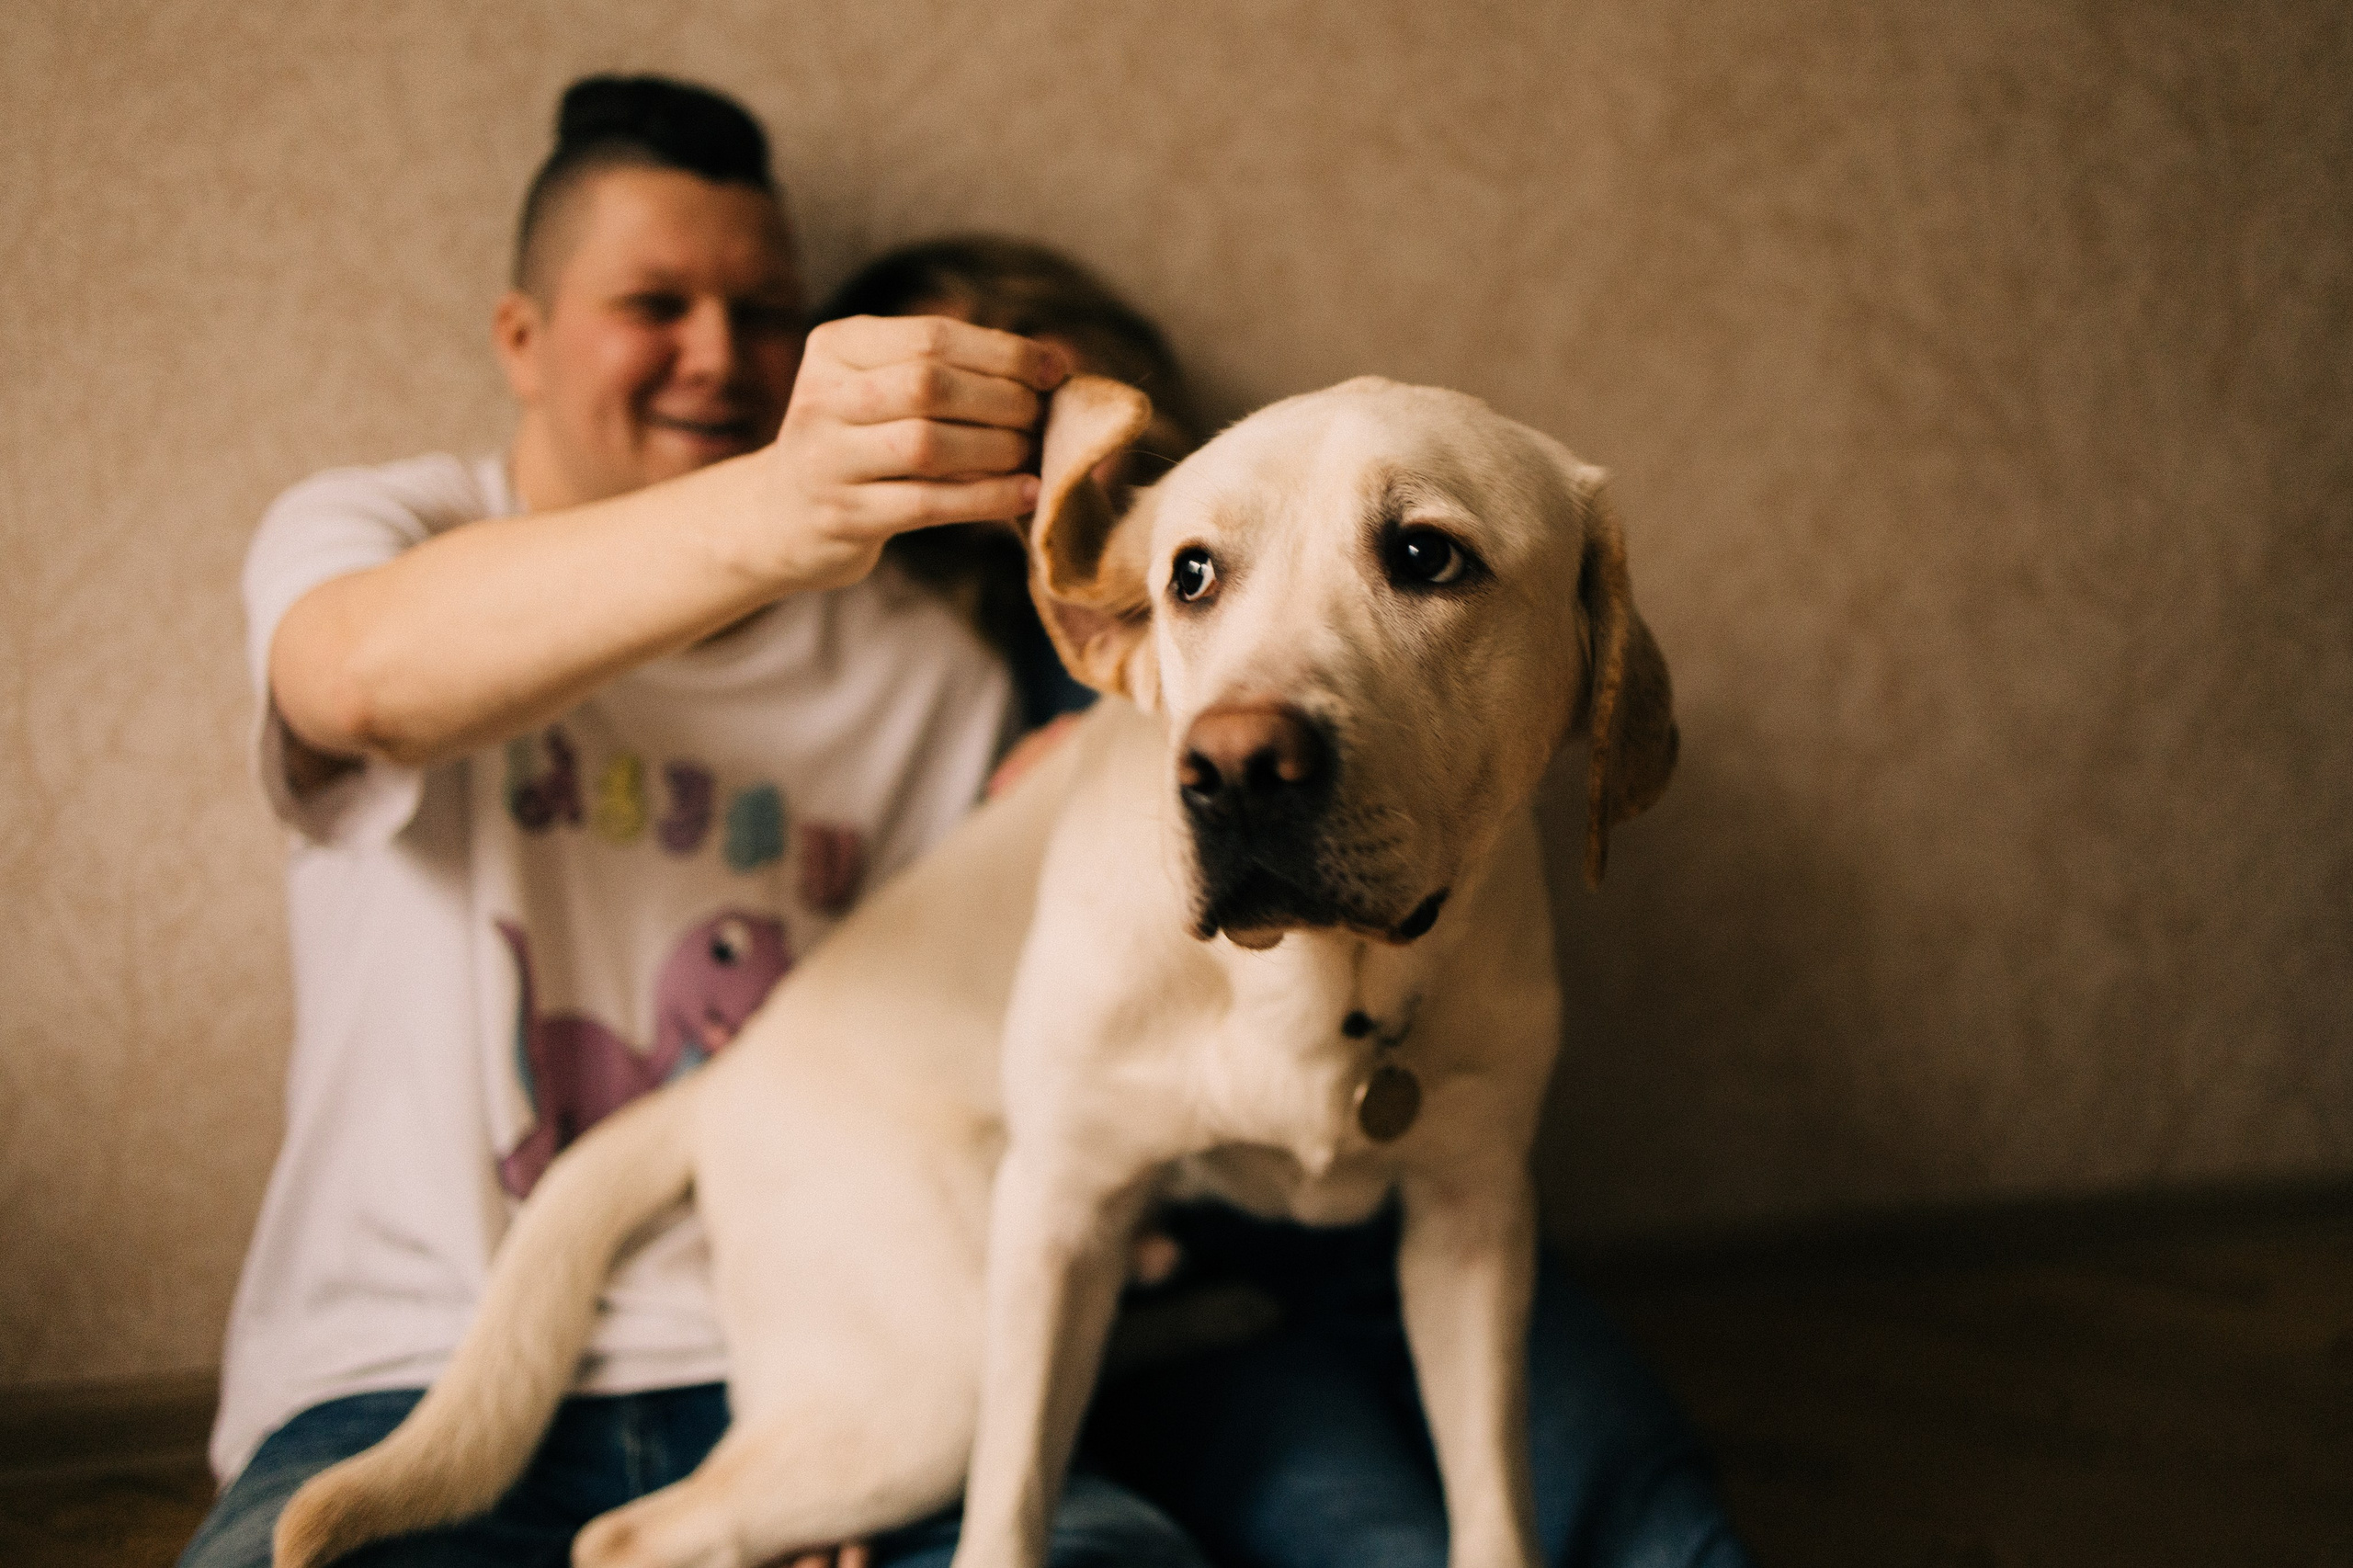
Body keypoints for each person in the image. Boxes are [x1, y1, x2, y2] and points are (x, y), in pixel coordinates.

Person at [182, 75, 1206, 1568]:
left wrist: (817, 1458)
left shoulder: (928, 667)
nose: (719, 357)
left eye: (763, 311)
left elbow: (957, 1065)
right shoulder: (379, 530)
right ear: (520, 340)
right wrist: (785, 514)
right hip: (397, 1379)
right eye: (653, 302)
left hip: (819, 1346)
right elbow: (359, 686)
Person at [819, 240, 1761, 1568]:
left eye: (1426, 555)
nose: (1242, 741)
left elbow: (1474, 1216)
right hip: (1132, 1259)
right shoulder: (983, 669)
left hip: (1360, 1228)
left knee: (1662, 1531)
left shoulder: (1215, 546)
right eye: (1198, 579)